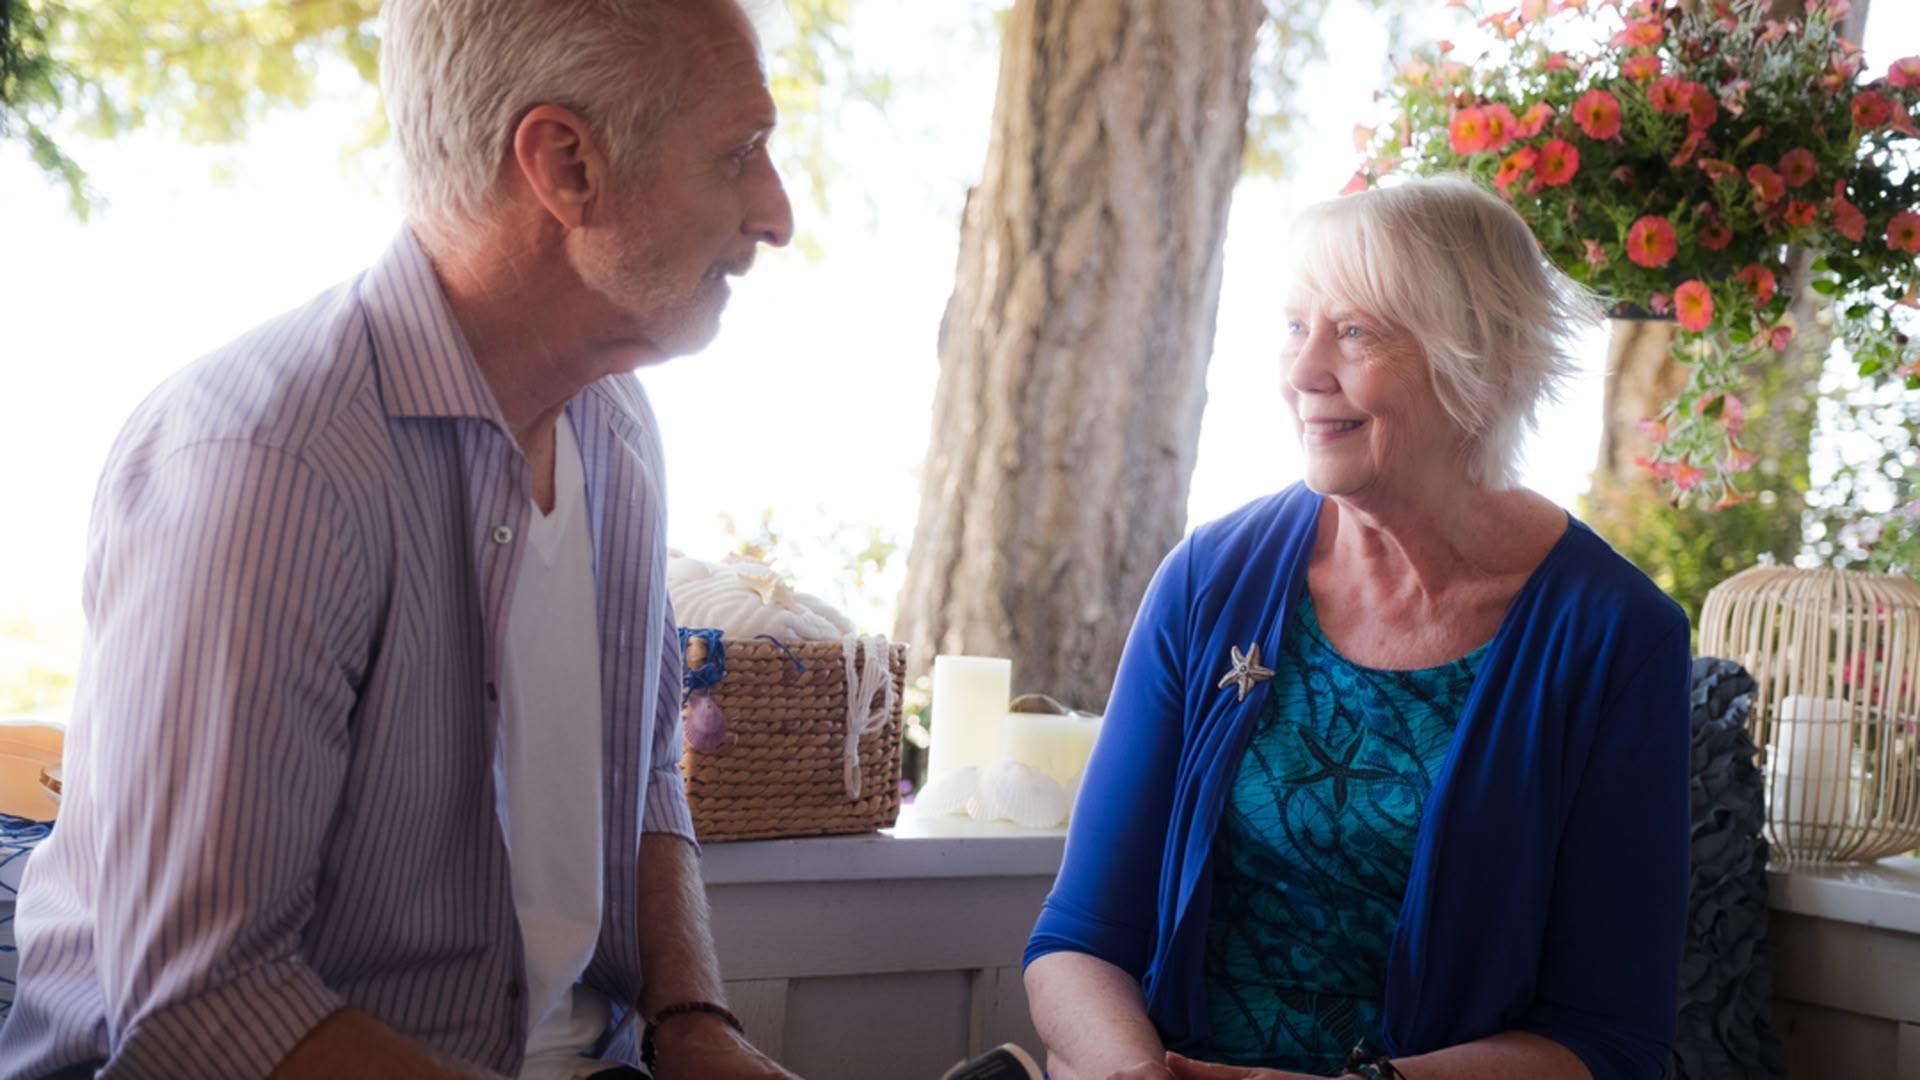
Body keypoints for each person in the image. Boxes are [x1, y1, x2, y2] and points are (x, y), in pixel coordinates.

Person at [1, 0, 796, 1077]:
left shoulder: (617, 429)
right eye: (740, 153)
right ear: (564, 165)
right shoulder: (268, 465)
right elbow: (204, 1012)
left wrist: (698, 1025)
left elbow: (646, 770)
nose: (777, 212)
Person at [1023, 176, 1691, 1080]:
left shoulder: (1617, 637)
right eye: (1297, 327)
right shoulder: (1209, 580)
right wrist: (1134, 1075)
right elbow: (1079, 939)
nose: (1302, 372)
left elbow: (1606, 1038)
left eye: (1355, 332)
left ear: (1479, 367)